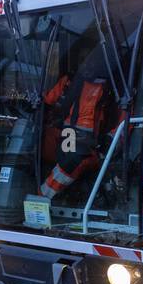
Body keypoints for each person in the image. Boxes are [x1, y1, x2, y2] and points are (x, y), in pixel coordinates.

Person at [38, 43, 118, 200]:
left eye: (90, 58)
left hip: (95, 144)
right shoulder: (70, 81)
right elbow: (48, 100)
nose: (87, 62)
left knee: (72, 161)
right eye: (83, 59)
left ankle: (41, 199)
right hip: (67, 136)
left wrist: (110, 140)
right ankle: (45, 200)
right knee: (64, 160)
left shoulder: (112, 87)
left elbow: (124, 118)